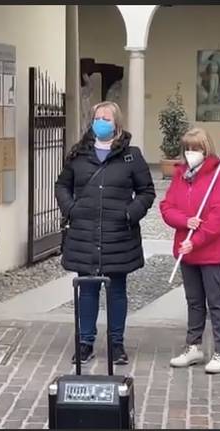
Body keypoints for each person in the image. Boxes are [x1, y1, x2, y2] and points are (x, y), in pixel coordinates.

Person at [55, 101, 155, 365]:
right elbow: (62, 185)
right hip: (85, 232)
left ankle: (116, 342)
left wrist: (129, 213)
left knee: (116, 290)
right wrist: (71, 209)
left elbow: (146, 192)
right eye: (97, 117)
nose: (101, 122)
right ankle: (85, 342)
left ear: (117, 123)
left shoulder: (131, 156)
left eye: (106, 118)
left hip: (118, 234)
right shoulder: (79, 155)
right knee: (87, 290)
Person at [159, 127, 220, 374]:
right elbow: (167, 206)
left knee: (216, 301)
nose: (191, 153)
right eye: (188, 148)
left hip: (211, 251)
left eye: (196, 148)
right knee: (194, 301)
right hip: (187, 249)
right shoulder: (180, 174)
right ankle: (193, 346)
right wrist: (185, 221)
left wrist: (198, 238)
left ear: (206, 149)